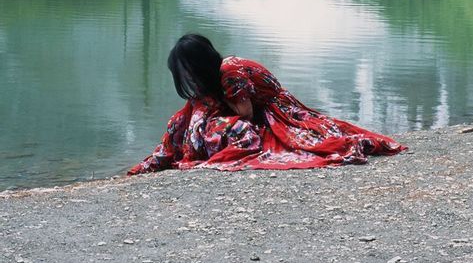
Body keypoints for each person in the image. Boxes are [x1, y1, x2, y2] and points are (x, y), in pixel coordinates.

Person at [128, 34, 407, 174]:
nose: (188, 78)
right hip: (257, 107)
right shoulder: (222, 72)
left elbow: (246, 113)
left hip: (276, 112)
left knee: (309, 143)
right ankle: (166, 154)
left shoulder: (229, 73)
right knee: (186, 116)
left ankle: (179, 153)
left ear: (199, 65)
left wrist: (211, 108)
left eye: (188, 71)